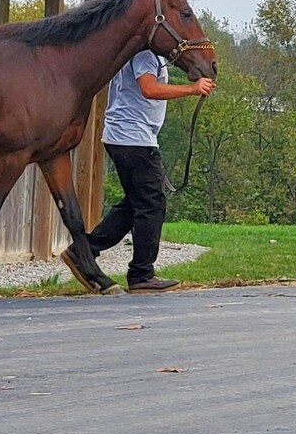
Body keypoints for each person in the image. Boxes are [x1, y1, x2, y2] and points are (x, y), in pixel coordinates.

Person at [62, 49, 215, 293]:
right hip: (133, 138)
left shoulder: (149, 54)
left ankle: (85, 251)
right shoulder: (144, 53)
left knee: (137, 203)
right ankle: (141, 274)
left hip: (128, 136)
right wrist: (192, 89)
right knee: (152, 204)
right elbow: (149, 88)